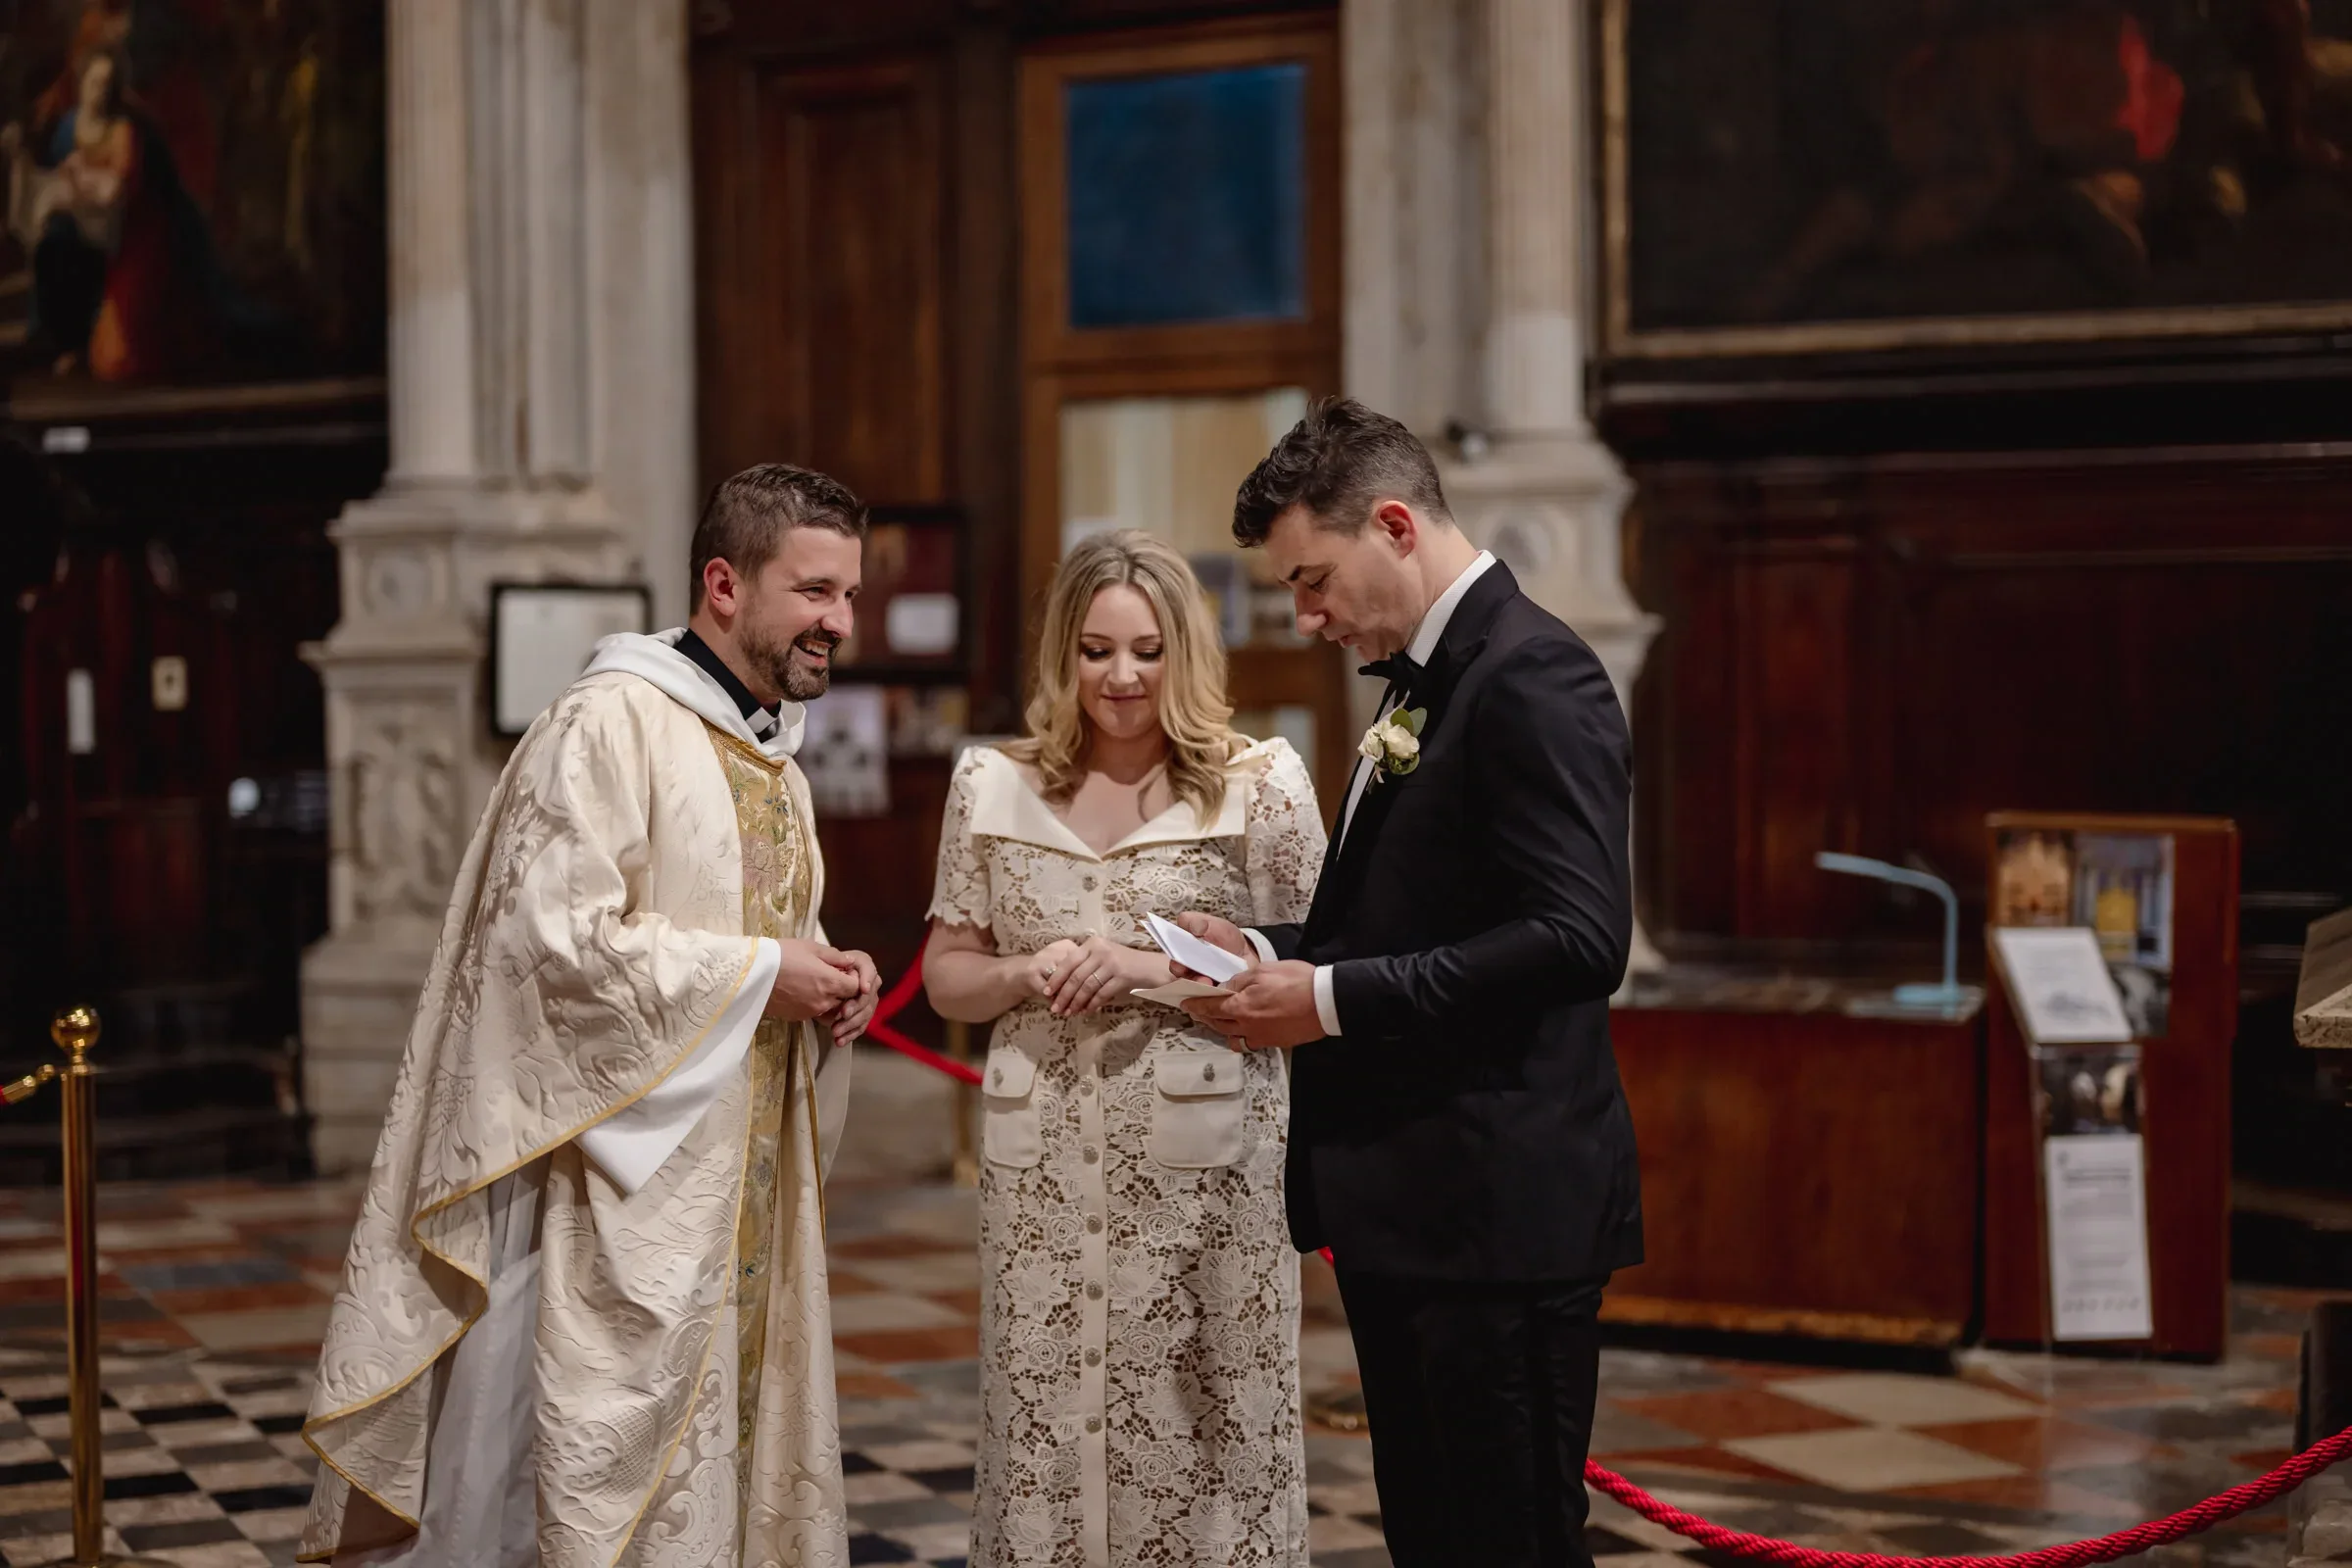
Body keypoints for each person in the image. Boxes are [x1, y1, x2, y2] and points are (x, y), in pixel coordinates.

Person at [300, 465, 884, 1568]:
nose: (839, 623)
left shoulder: (775, 759)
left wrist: (823, 985)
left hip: (743, 1191)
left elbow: (754, 935)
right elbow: (552, 946)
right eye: (814, 592)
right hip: (611, 1203)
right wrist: (766, 974)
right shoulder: (610, 721)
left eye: (848, 596)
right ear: (724, 581)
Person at [1174, 399, 1642, 1568]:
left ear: (1394, 524)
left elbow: (1580, 936)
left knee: (1511, 1547)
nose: (1307, 613)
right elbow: (1409, 919)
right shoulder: (1423, 680)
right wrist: (1267, 951)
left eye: (1315, 579)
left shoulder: (1534, 672)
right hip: (1421, 1210)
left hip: (1498, 1215)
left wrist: (1323, 1005)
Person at [924, 529, 1326, 1568]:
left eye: (1146, 650)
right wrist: (1028, 972)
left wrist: (1143, 968)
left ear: (1184, 655)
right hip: (1042, 1175)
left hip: (1209, 1175)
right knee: (1044, 1410)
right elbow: (946, 971)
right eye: (1097, 650)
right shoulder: (990, 786)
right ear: (1064, 656)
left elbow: (1309, 969)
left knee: (1208, 1419)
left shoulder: (1260, 786)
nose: (1122, 676)